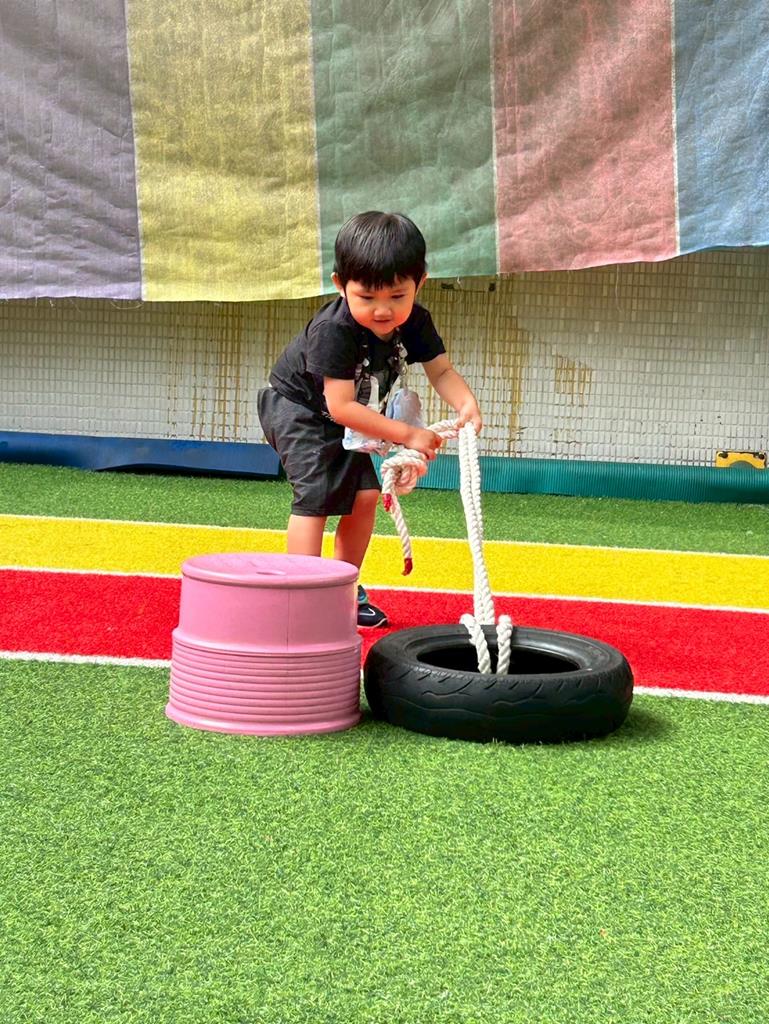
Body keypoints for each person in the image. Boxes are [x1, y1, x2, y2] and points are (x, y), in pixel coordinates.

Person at [258, 211, 482, 628]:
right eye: (367, 297)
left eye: (397, 296)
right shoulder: (334, 330)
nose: (383, 310)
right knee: (317, 495)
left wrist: (465, 403)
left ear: (420, 283)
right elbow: (341, 406)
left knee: (364, 495)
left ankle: (343, 588)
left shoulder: (415, 321)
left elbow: (441, 371)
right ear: (340, 284)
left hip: (342, 415)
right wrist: (408, 434)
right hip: (298, 408)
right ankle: (300, 592)